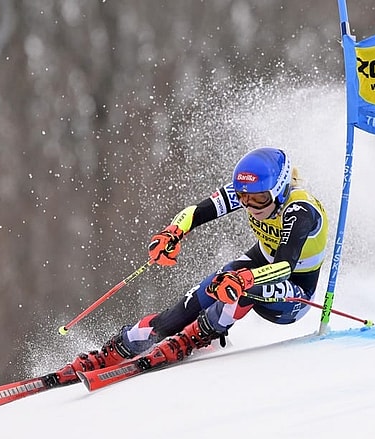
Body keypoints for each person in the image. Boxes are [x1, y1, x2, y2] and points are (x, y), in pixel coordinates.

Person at [56, 147, 328, 382]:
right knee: (201, 296)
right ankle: (119, 348)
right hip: (257, 267)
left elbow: (284, 266)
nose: (250, 205)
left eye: (258, 199)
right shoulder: (250, 193)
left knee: (238, 287)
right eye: (244, 198)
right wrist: (173, 232)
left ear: (280, 190)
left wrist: (245, 279)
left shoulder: (300, 211)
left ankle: (196, 336)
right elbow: (196, 212)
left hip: (293, 293)